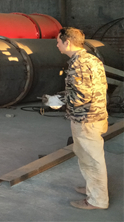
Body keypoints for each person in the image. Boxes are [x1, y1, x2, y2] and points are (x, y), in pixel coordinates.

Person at [56, 27, 109, 210]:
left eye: (58, 41)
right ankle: (92, 189)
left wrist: (58, 101)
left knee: (92, 160)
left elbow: (81, 96)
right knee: (86, 157)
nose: (57, 45)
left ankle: (97, 200)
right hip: (94, 116)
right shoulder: (92, 59)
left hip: (86, 119)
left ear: (67, 42)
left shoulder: (79, 63)